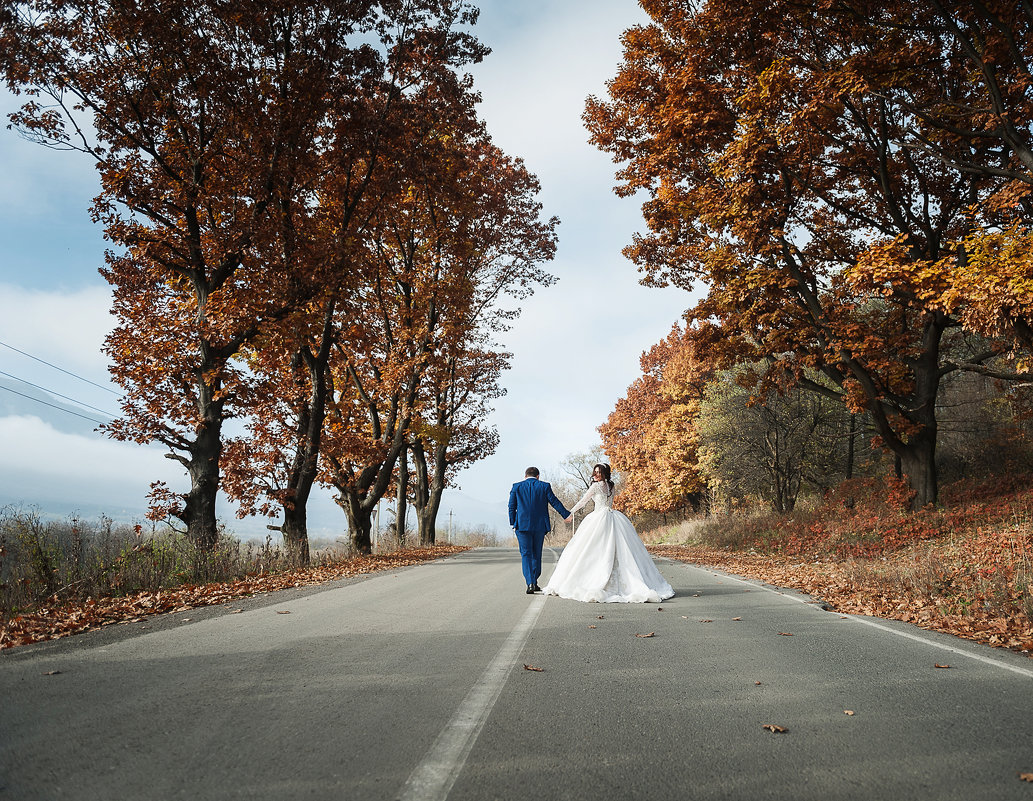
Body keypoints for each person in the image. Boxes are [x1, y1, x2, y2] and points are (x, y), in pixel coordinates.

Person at [543, 463, 674, 603]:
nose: (597, 475)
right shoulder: (611, 485)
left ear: (605, 473)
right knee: (611, 548)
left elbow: (583, 501)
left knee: (597, 548)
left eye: (599, 472)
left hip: (599, 517)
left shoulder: (596, 486)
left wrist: (570, 513)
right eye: (595, 472)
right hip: (612, 516)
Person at [509, 467, 571, 594]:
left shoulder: (516, 487)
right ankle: (534, 581)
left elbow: (511, 506)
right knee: (537, 553)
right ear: (538, 476)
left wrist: (512, 523)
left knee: (526, 554)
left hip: (522, 525)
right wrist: (566, 515)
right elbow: (554, 502)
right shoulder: (544, 486)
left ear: (525, 476)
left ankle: (530, 583)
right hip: (539, 526)